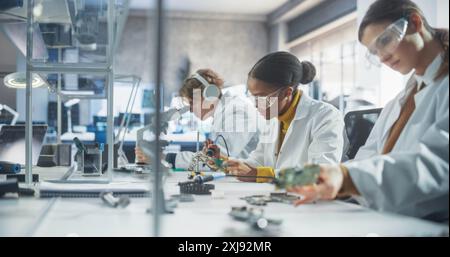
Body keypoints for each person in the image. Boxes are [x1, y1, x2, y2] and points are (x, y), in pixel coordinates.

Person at [287, 0, 449, 223]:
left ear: (415, 22)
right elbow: (367, 156)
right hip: (389, 217)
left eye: (385, 40)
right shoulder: (398, 102)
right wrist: (335, 178)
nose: (382, 56)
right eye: (374, 51)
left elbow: (439, 163)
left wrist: (348, 177)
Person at [225, 52, 345, 182]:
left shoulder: (326, 116)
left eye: (261, 97)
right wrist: (225, 163)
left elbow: (321, 172)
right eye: (253, 97)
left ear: (287, 93)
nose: (255, 104)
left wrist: (264, 174)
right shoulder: (274, 118)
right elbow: (258, 162)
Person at [136, 69, 262, 170]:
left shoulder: (237, 113)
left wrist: (163, 157)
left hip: (252, 184)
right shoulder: (224, 113)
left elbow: (215, 161)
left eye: (192, 103)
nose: (190, 110)